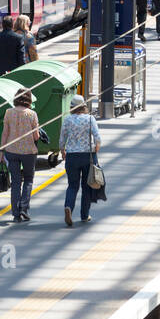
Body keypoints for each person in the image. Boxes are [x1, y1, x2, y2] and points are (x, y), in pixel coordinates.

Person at [59, 94, 101, 226]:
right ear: (84, 106)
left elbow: (62, 139)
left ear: (71, 107)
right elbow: (97, 137)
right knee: (86, 186)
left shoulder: (67, 120)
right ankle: (84, 215)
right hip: (87, 156)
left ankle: (68, 207)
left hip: (72, 156)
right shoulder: (89, 119)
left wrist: (62, 151)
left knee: (72, 185)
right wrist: (96, 149)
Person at [1, 88, 40, 222]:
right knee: (28, 179)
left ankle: (15, 213)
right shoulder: (32, 114)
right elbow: (36, 135)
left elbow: (5, 133)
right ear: (29, 100)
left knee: (16, 182)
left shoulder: (8, 112)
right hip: (29, 152)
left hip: (11, 151)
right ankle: (24, 207)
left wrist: (2, 151)